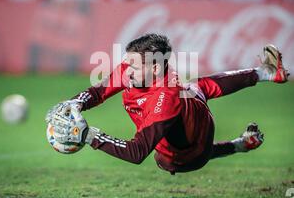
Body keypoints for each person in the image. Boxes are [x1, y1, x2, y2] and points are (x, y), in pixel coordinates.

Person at [46, 34, 289, 175]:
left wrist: (89, 135)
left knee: (166, 155)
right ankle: (265, 73)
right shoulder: (142, 70)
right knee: (197, 87)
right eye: (126, 63)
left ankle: (236, 146)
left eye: (133, 66)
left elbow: (137, 152)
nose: (125, 71)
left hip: (189, 154)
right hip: (194, 109)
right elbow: (99, 91)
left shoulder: (166, 97)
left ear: (153, 68)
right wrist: (76, 102)